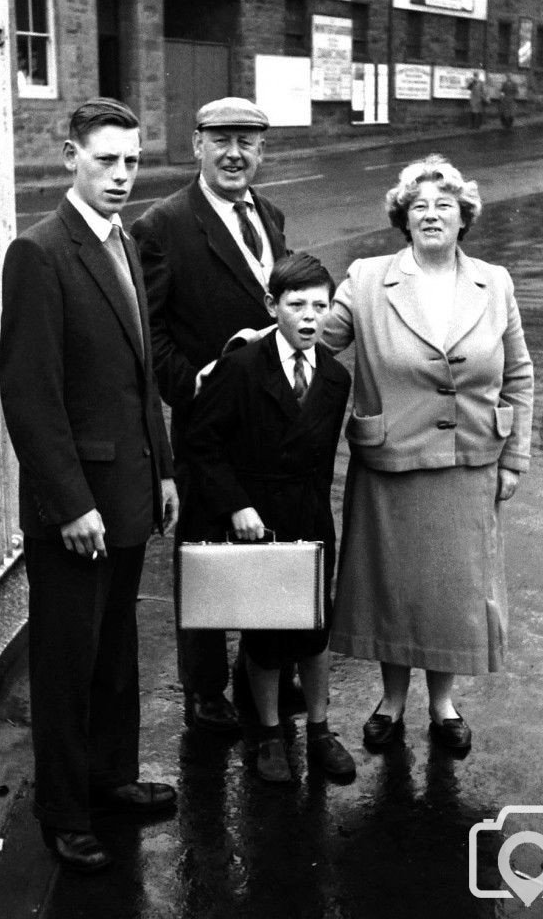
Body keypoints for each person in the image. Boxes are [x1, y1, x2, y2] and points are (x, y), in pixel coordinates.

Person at [0, 98, 179, 873]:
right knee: (68, 661)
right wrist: (70, 503)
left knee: (115, 653)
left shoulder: (123, 244)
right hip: (76, 508)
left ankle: (109, 779)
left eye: (131, 161)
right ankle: (64, 810)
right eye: (105, 159)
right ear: (70, 155)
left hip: (133, 492)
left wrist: (163, 467)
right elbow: (30, 396)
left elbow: (138, 378)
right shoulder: (40, 252)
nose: (120, 175)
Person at [321, 154, 533, 753]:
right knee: (391, 589)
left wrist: (514, 457)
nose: (432, 215)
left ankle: (442, 705)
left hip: (471, 460)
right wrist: (252, 341)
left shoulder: (495, 282)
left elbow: (518, 373)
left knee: (453, 593)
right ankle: (391, 701)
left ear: (464, 218)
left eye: (444, 206)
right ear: (403, 218)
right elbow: (315, 337)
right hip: (391, 461)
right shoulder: (366, 279)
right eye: (419, 206)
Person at [131, 97, 290, 735]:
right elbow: (150, 328)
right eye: (221, 140)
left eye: (247, 143)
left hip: (268, 419)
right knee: (203, 551)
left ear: (261, 151)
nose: (234, 154)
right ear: (196, 143)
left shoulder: (271, 213)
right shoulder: (163, 224)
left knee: (260, 548)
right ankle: (204, 688)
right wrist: (189, 383)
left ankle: (261, 675)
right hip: (204, 421)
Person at [183, 253, 355, 783]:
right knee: (266, 634)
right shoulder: (241, 368)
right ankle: (271, 733)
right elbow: (201, 442)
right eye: (296, 304)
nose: (309, 317)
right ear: (271, 306)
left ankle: (320, 729)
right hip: (256, 519)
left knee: (313, 628)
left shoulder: (333, 376)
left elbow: (322, 455)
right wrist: (237, 505)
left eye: (320, 306)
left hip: (309, 517)